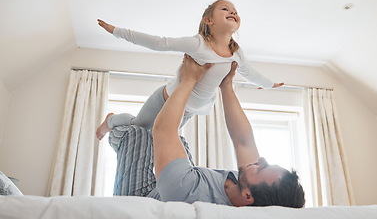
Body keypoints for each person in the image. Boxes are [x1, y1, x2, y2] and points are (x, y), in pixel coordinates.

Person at [107, 54, 305, 208]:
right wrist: (226, 84)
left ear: (247, 197)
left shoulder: (188, 192)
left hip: (142, 195)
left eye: (262, 168)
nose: (260, 160)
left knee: (137, 133)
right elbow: (242, 139)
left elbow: (163, 130)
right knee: (180, 144)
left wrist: (188, 80)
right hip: (170, 183)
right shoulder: (248, 184)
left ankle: (113, 125)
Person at [96, 0, 284, 140]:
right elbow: (159, 43)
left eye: (235, 11)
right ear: (208, 20)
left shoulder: (236, 53)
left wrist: (269, 84)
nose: (232, 12)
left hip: (189, 111)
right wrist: (117, 31)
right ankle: (110, 120)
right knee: (140, 126)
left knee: (159, 138)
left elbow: (250, 73)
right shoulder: (198, 44)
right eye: (225, 9)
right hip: (165, 100)